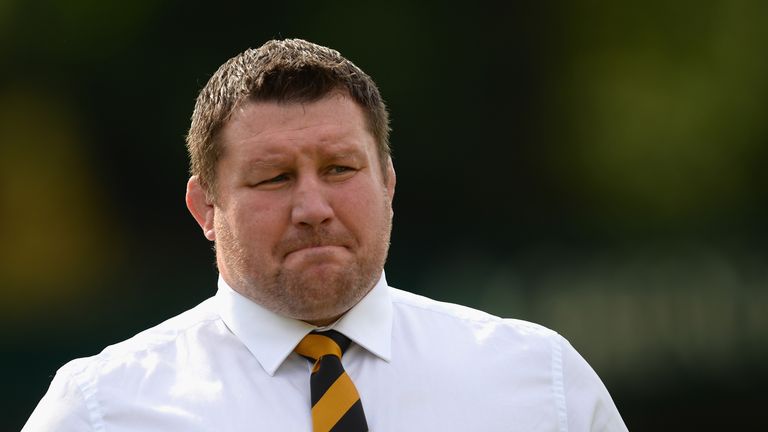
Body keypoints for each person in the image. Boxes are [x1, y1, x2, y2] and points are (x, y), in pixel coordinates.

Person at [22, 38, 628, 431]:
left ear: (388, 183)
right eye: (274, 177)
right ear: (204, 207)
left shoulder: (540, 384)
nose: (312, 207)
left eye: (339, 169)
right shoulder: (100, 411)